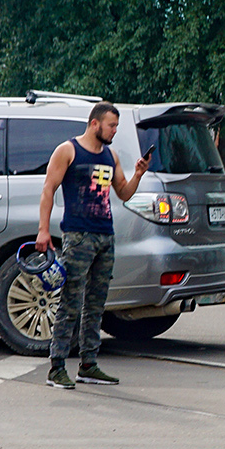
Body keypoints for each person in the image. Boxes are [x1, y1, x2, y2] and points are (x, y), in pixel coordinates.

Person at [36, 101, 150, 389]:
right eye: (111, 125)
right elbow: (48, 188)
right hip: (78, 235)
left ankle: (88, 364)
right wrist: (43, 230)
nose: (114, 131)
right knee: (71, 301)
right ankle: (57, 366)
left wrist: (138, 174)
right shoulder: (68, 150)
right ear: (95, 123)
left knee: (96, 304)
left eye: (116, 126)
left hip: (104, 235)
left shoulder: (111, 156)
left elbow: (123, 193)